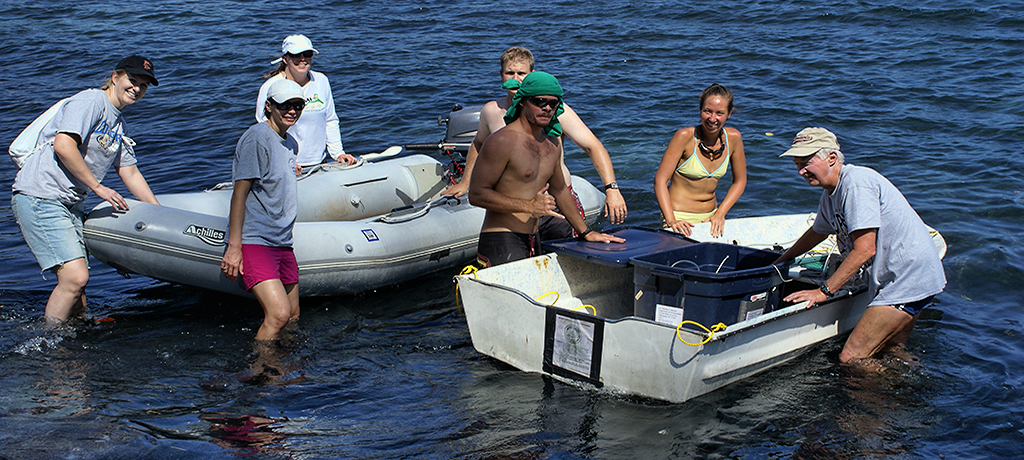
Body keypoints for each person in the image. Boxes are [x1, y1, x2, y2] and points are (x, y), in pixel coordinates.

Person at [773, 127, 945, 364]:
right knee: (891, 349)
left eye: (806, 162)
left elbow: (865, 249)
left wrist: (824, 292)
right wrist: (779, 260)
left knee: (851, 357)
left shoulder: (856, 184)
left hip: (906, 277)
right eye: (796, 164)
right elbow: (817, 232)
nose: (801, 171)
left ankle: (879, 399)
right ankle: (905, 395)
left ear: (832, 158)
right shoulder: (830, 194)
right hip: (904, 275)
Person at [11, 55, 161, 326]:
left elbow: (130, 171)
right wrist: (98, 187)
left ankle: (80, 326)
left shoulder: (118, 125)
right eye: (132, 80)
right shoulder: (91, 101)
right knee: (75, 277)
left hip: (69, 202)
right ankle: (50, 339)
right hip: (41, 195)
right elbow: (63, 145)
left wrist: (159, 212)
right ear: (115, 77)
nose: (137, 88)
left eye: (144, 85)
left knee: (78, 283)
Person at [444, 46, 627, 237]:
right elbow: (479, 144)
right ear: (501, 75)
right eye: (510, 73)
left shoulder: (554, 110)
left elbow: (592, 146)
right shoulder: (491, 111)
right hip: (515, 208)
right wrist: (466, 182)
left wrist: (611, 189)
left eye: (521, 73)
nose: (516, 78)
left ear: (531, 75)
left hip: (555, 200)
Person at [468, 71, 623, 267]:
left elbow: (559, 190)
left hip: (534, 237)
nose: (547, 108)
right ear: (523, 101)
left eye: (553, 103)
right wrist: (529, 206)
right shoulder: (502, 141)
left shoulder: (552, 144)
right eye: (540, 101)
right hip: (502, 239)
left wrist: (586, 232)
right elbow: (476, 194)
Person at [221, 79, 304, 341]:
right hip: (256, 240)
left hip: (282, 241)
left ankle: (286, 372)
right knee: (278, 314)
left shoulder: (290, 143)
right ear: (269, 106)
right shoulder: (257, 138)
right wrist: (234, 248)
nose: (292, 110)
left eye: (298, 105)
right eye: (285, 106)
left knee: (292, 315)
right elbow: (239, 193)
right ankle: (259, 372)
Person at [654, 83, 747, 238]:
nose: (712, 118)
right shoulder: (684, 137)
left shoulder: (734, 138)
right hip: (679, 217)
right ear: (700, 109)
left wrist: (720, 213)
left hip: (711, 217)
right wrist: (671, 220)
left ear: (729, 113)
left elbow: (740, 181)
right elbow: (660, 181)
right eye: (707, 111)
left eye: (719, 113)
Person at [255, 34, 357, 169]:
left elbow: (330, 120)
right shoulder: (270, 86)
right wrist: (284, 160)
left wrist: (338, 153)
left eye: (307, 54)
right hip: (287, 166)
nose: (302, 59)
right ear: (285, 58)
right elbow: (264, 128)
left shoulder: (321, 80)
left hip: (320, 163)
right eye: (296, 55)